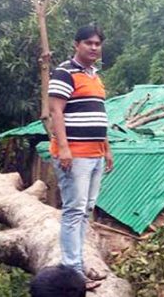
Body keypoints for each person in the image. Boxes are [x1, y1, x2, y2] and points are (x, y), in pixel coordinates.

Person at [48, 25, 115, 290]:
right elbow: (56, 112)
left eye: (98, 44)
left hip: (95, 153)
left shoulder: (95, 77)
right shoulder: (64, 72)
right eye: (89, 43)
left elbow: (99, 114)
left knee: (85, 211)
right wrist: (64, 148)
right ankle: (72, 271)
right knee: (74, 211)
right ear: (77, 44)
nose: (94, 47)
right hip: (75, 155)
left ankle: (79, 263)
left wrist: (106, 148)